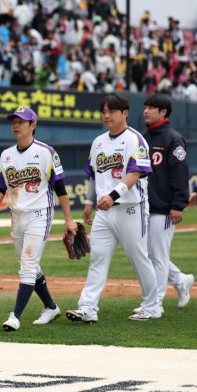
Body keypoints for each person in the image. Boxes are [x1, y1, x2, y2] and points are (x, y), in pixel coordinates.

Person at [0, 107, 77, 331]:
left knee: (28, 265)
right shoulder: (6, 155)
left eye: (21, 121)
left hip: (40, 214)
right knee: (29, 265)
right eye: (13, 121)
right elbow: (0, 188)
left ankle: (15, 316)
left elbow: (60, 188)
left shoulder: (46, 152)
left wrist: (69, 220)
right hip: (17, 217)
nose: (16, 125)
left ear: (33, 125)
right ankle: (50, 307)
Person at [67, 94, 160, 323]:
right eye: (104, 112)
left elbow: (135, 173)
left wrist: (114, 195)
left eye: (111, 111)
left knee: (138, 258)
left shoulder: (135, 139)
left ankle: (152, 306)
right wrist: (89, 203)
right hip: (104, 211)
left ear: (125, 113)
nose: (106, 116)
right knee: (97, 258)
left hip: (130, 207)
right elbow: (93, 176)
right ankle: (88, 308)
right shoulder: (98, 142)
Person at [141, 94, 195, 310]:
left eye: (151, 107)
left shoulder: (173, 138)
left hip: (164, 207)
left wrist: (177, 204)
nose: (146, 110)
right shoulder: (143, 137)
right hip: (145, 206)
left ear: (163, 112)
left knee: (159, 256)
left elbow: (180, 173)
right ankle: (180, 280)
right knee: (147, 254)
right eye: (145, 107)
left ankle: (156, 301)